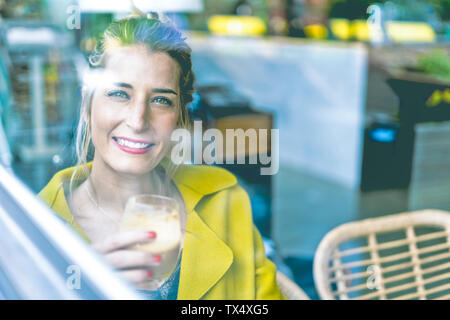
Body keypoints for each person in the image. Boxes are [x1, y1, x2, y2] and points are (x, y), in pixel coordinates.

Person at [38, 13, 285, 300]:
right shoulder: (38, 224)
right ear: (87, 105)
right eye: (119, 93)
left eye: (160, 100)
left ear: (180, 119)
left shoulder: (223, 198)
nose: (138, 120)